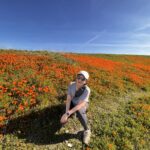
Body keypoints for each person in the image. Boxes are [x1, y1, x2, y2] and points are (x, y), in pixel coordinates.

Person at [60, 70, 91, 145]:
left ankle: (87, 130)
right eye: (78, 77)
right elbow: (68, 99)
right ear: (76, 78)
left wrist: (68, 113)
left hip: (82, 105)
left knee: (79, 111)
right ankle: (68, 116)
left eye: (82, 79)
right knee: (65, 111)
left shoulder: (87, 90)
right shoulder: (71, 85)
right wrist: (66, 113)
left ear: (85, 81)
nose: (79, 80)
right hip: (73, 102)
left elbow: (80, 105)